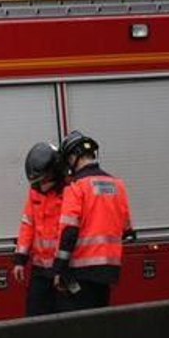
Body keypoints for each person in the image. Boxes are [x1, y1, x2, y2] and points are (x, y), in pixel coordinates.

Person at [52, 130, 132, 312]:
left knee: (77, 326)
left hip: (80, 271)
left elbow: (69, 232)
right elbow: (126, 229)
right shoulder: (117, 185)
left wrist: (59, 268)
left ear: (73, 157)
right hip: (108, 271)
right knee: (99, 322)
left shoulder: (76, 187)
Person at [12, 141, 66, 317]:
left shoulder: (70, 191)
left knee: (64, 319)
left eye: (44, 179)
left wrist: (61, 266)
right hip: (40, 269)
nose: (40, 184)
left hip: (64, 268)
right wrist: (20, 259)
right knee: (34, 317)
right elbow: (27, 224)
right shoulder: (35, 191)